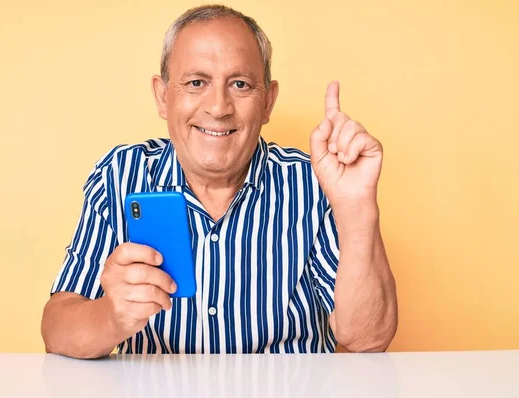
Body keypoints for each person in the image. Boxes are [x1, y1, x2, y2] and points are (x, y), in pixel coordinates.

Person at [41, 4, 398, 358]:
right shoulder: (120, 175)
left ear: (268, 102)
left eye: (240, 84)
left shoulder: (315, 181)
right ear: (163, 96)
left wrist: (358, 211)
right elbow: (57, 329)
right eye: (197, 83)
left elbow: (367, 339)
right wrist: (110, 317)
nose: (218, 107)